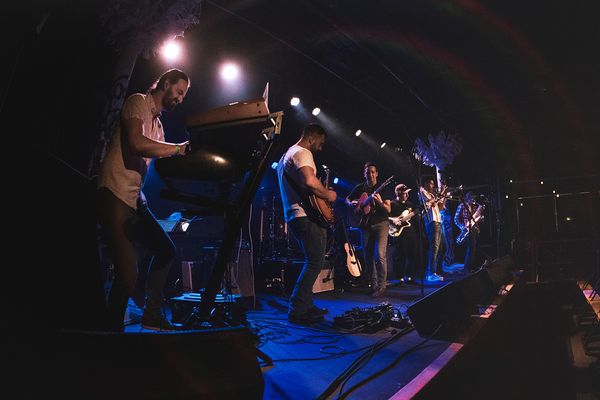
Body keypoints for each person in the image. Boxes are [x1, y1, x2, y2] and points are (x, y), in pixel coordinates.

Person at [97, 68, 191, 331]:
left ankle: (151, 314)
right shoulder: (137, 101)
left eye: (184, 96)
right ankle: (109, 333)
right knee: (128, 273)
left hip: (135, 201)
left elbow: (154, 161)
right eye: (179, 92)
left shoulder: (159, 127)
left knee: (165, 250)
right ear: (166, 83)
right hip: (114, 193)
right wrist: (178, 148)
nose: (180, 99)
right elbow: (137, 143)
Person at [277, 123, 337, 324]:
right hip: (306, 216)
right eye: (320, 143)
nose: (320, 147)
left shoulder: (286, 155)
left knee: (311, 261)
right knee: (314, 263)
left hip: (294, 216)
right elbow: (311, 182)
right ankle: (297, 309)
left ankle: (307, 305)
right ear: (312, 138)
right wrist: (329, 195)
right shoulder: (302, 153)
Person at [345, 162, 391, 297]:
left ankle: (382, 286)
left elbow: (388, 209)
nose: (370, 174)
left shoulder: (382, 188)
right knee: (368, 256)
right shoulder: (360, 187)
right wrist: (352, 204)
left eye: (372, 172)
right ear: (364, 174)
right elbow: (347, 199)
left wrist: (380, 202)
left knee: (380, 255)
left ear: (376, 173)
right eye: (368, 172)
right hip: (365, 225)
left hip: (381, 224)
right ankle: (373, 285)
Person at [389, 183, 420, 284]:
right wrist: (393, 220)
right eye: (404, 193)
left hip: (410, 231)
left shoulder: (410, 205)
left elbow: (416, 216)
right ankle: (399, 277)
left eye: (407, 193)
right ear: (398, 193)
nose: (407, 195)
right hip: (398, 232)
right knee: (400, 254)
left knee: (412, 253)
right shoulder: (392, 204)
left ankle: (409, 276)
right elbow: (385, 216)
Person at [418, 176, 448, 282]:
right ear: (426, 184)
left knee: (443, 247)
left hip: (438, 221)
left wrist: (444, 196)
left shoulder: (432, 195)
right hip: (432, 222)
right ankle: (431, 273)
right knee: (434, 248)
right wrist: (441, 192)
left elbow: (440, 207)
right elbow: (430, 202)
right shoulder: (422, 191)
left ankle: (437, 270)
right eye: (431, 183)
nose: (433, 185)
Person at [454, 191, 481, 273]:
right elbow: (455, 219)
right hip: (467, 228)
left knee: (474, 247)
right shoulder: (462, 205)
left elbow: (476, 217)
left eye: (474, 197)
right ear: (468, 197)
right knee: (471, 247)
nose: (473, 199)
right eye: (472, 197)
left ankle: (473, 266)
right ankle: (468, 268)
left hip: (474, 228)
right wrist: (462, 227)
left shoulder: (474, 206)